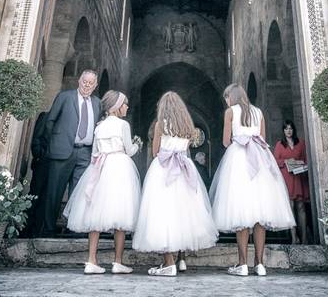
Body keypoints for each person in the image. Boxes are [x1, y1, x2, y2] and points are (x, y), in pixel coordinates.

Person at [210, 84, 294, 276]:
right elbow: (262, 138)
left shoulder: (230, 112)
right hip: (261, 159)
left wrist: (238, 141)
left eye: (227, 97)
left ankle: (242, 264)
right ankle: (260, 263)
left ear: (231, 97)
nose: (226, 101)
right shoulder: (258, 112)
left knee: (241, 212)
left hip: (239, 159)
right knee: (259, 213)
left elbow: (225, 141)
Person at [133, 92, 218, 276]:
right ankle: (181, 260)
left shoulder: (159, 126)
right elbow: (185, 150)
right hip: (183, 169)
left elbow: (156, 151)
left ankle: (168, 263)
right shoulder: (187, 126)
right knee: (183, 213)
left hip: (164, 171)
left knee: (163, 214)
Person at [63, 90, 142, 274]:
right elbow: (129, 150)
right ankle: (117, 262)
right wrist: (138, 144)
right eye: (125, 103)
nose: (127, 107)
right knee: (121, 214)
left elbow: (94, 154)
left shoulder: (99, 126)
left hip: (99, 168)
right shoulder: (123, 125)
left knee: (94, 213)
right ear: (116, 106)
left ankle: (91, 261)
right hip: (120, 166)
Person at [35, 70, 101, 236]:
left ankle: (74, 228)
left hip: (85, 153)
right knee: (54, 191)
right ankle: (48, 229)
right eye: (84, 81)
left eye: (90, 83)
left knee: (79, 193)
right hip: (62, 151)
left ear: (95, 85)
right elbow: (50, 122)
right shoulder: (64, 97)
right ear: (79, 81)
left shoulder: (97, 103)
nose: (87, 85)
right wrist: (54, 144)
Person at [273, 119, 310, 244]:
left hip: (299, 178)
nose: (288, 131)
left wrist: (300, 163)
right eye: (286, 129)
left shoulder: (301, 143)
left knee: (301, 207)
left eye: (290, 128)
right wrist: (286, 162)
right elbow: (275, 162)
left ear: (293, 130)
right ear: (283, 131)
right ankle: (294, 237)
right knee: (291, 207)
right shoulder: (280, 145)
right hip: (286, 178)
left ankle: (304, 238)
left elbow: (306, 160)